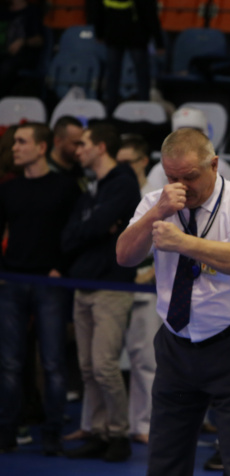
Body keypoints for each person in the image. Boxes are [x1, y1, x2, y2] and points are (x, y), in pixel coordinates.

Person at [115, 127, 230, 476]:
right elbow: (124, 256)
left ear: (214, 165)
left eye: (189, 177)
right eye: (172, 177)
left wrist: (182, 243)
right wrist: (155, 213)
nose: (181, 186)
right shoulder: (157, 202)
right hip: (176, 344)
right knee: (165, 459)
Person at [61, 123, 141, 462]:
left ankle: (118, 434)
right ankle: (98, 431)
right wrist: (95, 229)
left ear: (101, 147)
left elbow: (89, 227)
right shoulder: (93, 187)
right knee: (87, 368)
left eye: (84, 144)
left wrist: (93, 228)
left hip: (111, 285)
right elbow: (69, 236)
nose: (77, 150)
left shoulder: (123, 183)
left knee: (104, 366)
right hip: (84, 283)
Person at [0, 123, 80, 455]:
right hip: (12, 281)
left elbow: (76, 232)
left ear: (41, 147)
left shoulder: (66, 187)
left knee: (52, 362)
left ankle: (51, 435)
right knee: (9, 363)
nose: (15, 147)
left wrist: (61, 267)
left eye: (22, 142)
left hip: (50, 282)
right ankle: (7, 433)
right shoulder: (8, 189)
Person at [115, 137, 163, 444]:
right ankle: (107, 423)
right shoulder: (114, 192)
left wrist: (151, 274)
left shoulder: (156, 197)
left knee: (146, 359)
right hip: (115, 282)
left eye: (128, 163)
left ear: (144, 161)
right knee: (105, 361)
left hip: (149, 283)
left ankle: (144, 424)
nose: (122, 169)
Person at [93, 0, 164, 113]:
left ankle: (113, 109)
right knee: (137, 74)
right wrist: (159, 42)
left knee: (117, 74)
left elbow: (98, 11)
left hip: (122, 36)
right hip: (131, 36)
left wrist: (99, 33)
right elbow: (150, 15)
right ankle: (140, 107)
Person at [144, 107, 230, 193]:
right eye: (173, 178)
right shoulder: (160, 170)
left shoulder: (220, 167)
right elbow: (151, 200)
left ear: (205, 133)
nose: (188, 137)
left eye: (194, 131)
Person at [0, 0, 43, 97]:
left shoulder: (32, 11)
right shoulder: (3, 10)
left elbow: (39, 40)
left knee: (6, 68)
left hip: (23, 56)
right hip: (4, 54)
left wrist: (22, 42)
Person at [48, 116, 85, 181]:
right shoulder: (45, 173)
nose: (80, 149)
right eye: (76, 144)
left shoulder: (81, 168)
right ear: (57, 141)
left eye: (81, 144)